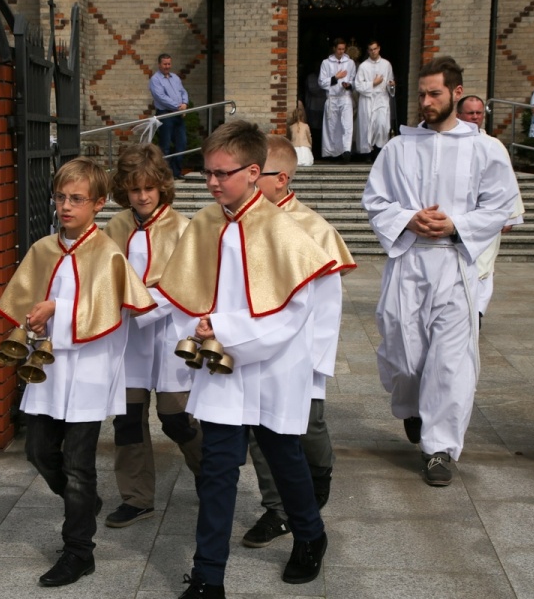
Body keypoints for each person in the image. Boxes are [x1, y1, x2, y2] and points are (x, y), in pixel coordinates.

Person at [157, 120, 334, 598]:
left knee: (284, 458)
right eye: (208, 172)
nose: (212, 182)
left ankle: (311, 534)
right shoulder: (204, 223)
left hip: (273, 365)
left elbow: (295, 311)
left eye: (223, 173)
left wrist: (227, 329)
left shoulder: (283, 229)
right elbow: (182, 292)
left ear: (254, 172)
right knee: (218, 469)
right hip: (222, 367)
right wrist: (196, 326)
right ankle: (208, 577)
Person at [0, 157, 157, 587]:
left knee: (78, 465)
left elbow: (116, 313)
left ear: (99, 203)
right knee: (38, 451)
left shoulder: (108, 253)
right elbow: (26, 302)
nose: (66, 206)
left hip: (89, 370)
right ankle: (83, 502)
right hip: (48, 369)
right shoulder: (43, 249)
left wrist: (58, 310)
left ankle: (78, 551)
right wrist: (34, 320)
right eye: (61, 197)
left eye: (77, 199)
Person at [362, 57, 518, 487]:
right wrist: (409, 218)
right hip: (409, 261)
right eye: (422, 94)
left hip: (455, 262)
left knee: (450, 361)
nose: (426, 102)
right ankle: (413, 406)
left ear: (456, 92)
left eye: (435, 94)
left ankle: (440, 449)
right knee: (404, 351)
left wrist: (456, 225)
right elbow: (375, 200)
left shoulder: (486, 148)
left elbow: (500, 204)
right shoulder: (398, 148)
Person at [241, 135, 356, 549]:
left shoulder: (314, 229)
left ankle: (319, 474)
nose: (248, 181)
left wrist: (316, 359)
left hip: (300, 350)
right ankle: (277, 508)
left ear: (281, 178)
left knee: (309, 424)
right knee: (259, 428)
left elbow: (328, 305)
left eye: (257, 174)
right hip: (254, 345)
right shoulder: (240, 222)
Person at [102, 144, 202, 528]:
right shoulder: (115, 228)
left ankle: (211, 475)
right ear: (123, 190)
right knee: (128, 419)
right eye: (134, 189)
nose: (142, 196)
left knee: (176, 418)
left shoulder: (184, 228)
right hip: (129, 337)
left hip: (171, 333)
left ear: (162, 186)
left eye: (149, 188)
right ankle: (137, 497)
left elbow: (189, 285)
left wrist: (142, 303)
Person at [456, 95, 525, 323]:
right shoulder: (450, 142)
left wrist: (511, 215)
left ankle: (476, 313)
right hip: (458, 217)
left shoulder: (493, 145)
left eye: (479, 113)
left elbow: (507, 181)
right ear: (458, 114)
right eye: (470, 113)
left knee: (483, 265)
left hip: (488, 216)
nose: (475, 117)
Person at [150, 53, 189, 179]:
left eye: (169, 64)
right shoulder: (155, 79)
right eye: (165, 64)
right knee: (165, 145)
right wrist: (178, 107)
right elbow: (161, 97)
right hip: (165, 114)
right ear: (159, 64)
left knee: (181, 143)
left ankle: (176, 172)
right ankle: (165, 175)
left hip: (178, 114)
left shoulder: (175, 78)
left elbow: (183, 91)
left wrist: (185, 103)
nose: (167, 66)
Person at [354, 40, 395, 160]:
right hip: (367, 99)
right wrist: (373, 83)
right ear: (368, 51)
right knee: (367, 126)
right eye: (371, 50)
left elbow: (390, 83)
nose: (373, 52)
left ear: (379, 48)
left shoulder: (386, 64)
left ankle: (379, 151)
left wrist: (391, 85)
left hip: (381, 98)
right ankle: (368, 153)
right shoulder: (363, 66)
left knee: (381, 124)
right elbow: (358, 86)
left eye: (375, 49)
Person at [318, 38, 356, 163]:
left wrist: (348, 85)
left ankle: (346, 151)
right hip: (332, 98)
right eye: (339, 49)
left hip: (345, 97)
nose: (341, 51)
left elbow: (354, 80)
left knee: (347, 125)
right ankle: (334, 154)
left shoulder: (350, 63)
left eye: (343, 49)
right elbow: (321, 82)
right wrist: (335, 78)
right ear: (334, 48)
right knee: (333, 126)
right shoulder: (326, 63)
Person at [287, 101, 314, 166]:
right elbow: (309, 137)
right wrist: (310, 145)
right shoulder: (306, 126)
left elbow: (289, 138)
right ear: (302, 117)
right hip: (305, 148)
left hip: (295, 148)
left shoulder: (291, 127)